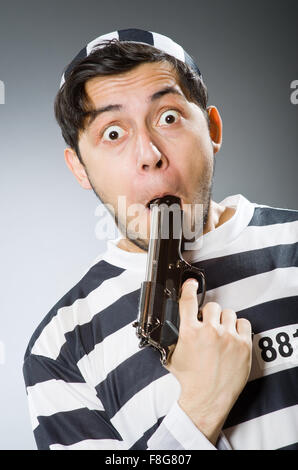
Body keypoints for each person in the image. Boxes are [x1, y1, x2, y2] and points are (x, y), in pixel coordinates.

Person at [23, 28, 298, 450]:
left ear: (212, 129)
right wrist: (201, 406)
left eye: (168, 117)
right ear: (79, 168)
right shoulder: (60, 348)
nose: (149, 154)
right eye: (113, 133)